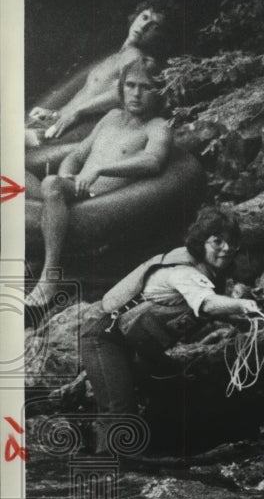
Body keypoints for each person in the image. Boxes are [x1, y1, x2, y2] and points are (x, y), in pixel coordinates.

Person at [80, 210, 259, 450]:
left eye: (232, 243)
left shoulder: (208, 272)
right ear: (200, 242)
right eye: (217, 241)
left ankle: (163, 452)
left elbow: (201, 307)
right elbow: (206, 303)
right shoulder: (183, 272)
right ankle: (114, 473)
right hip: (104, 337)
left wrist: (242, 319)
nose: (226, 248)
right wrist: (242, 305)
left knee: (179, 385)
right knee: (120, 412)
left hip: (136, 344)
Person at [25, 57, 172, 310]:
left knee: (51, 184)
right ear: (122, 87)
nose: (136, 93)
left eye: (145, 87)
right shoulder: (112, 116)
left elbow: (153, 161)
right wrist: (67, 175)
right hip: (74, 190)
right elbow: (77, 155)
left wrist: (100, 169)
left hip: (100, 200)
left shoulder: (158, 126)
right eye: (131, 85)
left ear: (158, 91)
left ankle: (49, 278)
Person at [25, 0, 177, 149]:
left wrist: (76, 112)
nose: (144, 27)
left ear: (161, 37)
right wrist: (55, 113)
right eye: (144, 18)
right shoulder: (119, 55)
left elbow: (123, 94)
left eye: (154, 27)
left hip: (75, 132)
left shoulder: (136, 58)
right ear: (136, 16)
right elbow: (89, 93)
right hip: (62, 123)